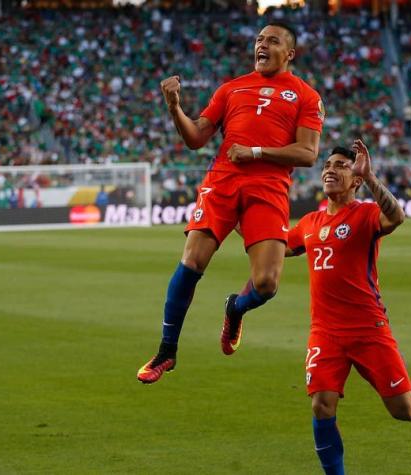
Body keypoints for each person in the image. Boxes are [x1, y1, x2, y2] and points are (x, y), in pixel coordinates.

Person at [137, 21, 325, 384]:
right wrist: (174, 107)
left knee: (267, 283)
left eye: (273, 41)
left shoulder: (306, 95)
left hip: (268, 188)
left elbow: (307, 152)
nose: (262, 45)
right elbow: (196, 137)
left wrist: (254, 152)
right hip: (222, 181)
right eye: (259, 39)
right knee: (192, 260)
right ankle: (166, 351)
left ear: (289, 54)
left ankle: (235, 308)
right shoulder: (232, 88)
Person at [287, 140, 411, 475]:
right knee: (322, 405)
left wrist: (373, 178)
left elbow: (397, 216)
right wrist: (235, 213)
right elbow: (276, 247)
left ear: (357, 180)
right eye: (328, 165)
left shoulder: (364, 214)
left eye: (341, 165)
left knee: (404, 410)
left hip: (368, 329)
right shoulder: (309, 222)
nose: (330, 169)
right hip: (325, 332)